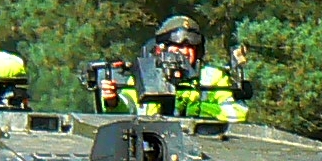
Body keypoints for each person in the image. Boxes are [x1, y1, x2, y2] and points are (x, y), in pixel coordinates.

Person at [92, 15, 248, 121]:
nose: (185, 52)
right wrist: (112, 101)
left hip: (203, 143)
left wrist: (196, 111)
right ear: (161, 49)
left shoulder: (212, 77)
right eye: (178, 46)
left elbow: (237, 113)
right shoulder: (146, 76)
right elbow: (125, 113)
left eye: (190, 47)